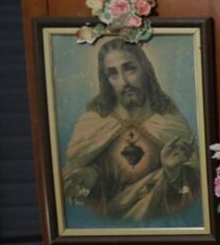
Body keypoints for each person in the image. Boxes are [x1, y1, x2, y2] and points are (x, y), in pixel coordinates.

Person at [62, 39, 200, 220]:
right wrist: (90, 174)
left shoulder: (169, 122)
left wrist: (172, 172)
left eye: (130, 69)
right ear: (106, 80)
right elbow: (75, 179)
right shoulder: (94, 123)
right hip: (109, 228)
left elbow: (197, 187)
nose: (124, 81)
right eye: (113, 74)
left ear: (145, 70)